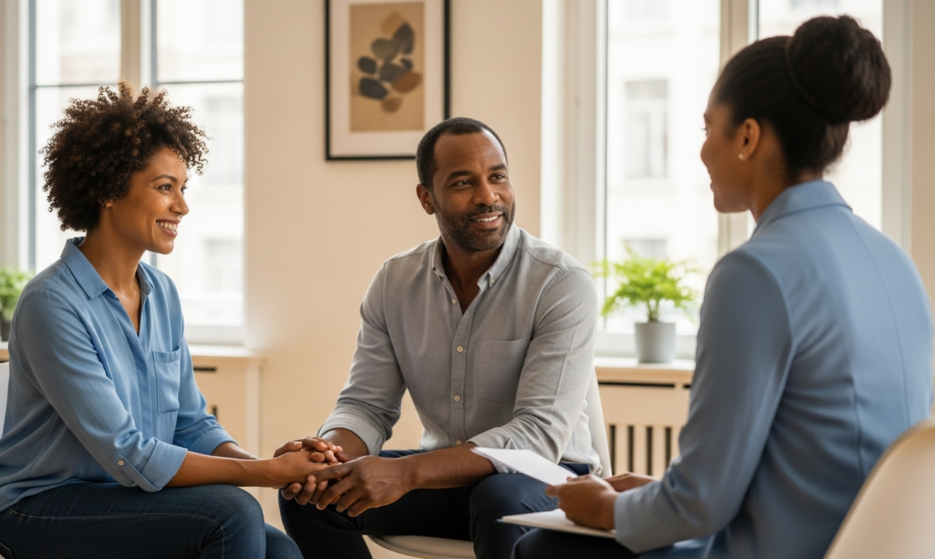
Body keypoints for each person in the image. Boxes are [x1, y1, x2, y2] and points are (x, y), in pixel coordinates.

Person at [513, 15, 934, 559]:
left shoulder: (755, 273)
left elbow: (701, 506)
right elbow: (815, 462)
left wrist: (602, 506)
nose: (703, 151)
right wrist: (659, 493)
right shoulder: (895, 260)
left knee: (541, 549)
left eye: (708, 128)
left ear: (749, 136)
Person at [0, 84, 335, 559]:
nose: (182, 207)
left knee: (282, 552)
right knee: (233, 514)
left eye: (182, 188)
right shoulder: (51, 304)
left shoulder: (161, 293)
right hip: (41, 508)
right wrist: (263, 475)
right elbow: (128, 452)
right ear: (110, 189)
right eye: (164, 188)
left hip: (124, 495)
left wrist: (268, 464)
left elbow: (190, 423)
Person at [276, 117, 601, 559]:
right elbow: (367, 405)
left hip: (548, 478)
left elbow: (538, 435)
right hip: (450, 477)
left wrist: (408, 473)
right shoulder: (395, 281)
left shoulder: (560, 283)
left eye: (498, 176)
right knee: (312, 494)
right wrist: (327, 456)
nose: (489, 196)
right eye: (464, 182)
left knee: (500, 499)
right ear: (427, 198)